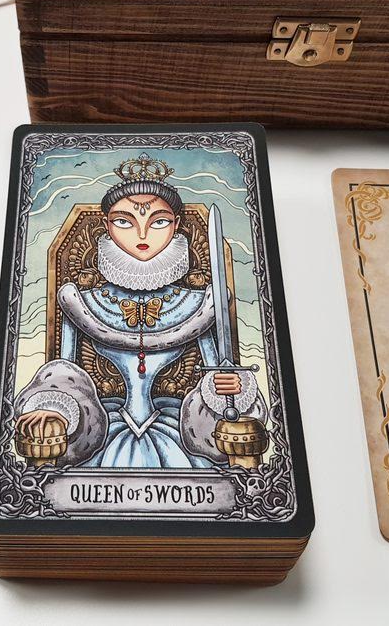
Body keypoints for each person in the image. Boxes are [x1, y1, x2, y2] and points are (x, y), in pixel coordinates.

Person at [15, 154, 266, 469]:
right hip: (104, 429)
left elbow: (218, 372)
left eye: (159, 222)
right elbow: (64, 372)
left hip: (177, 430)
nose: (143, 235)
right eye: (124, 221)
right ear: (107, 226)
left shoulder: (202, 303)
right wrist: (53, 407)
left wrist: (229, 389)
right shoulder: (79, 301)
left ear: (176, 225)